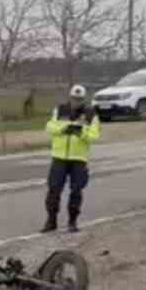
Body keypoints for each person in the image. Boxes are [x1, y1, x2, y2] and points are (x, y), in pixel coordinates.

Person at [44, 84, 101, 233]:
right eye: (75, 98)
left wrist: (80, 133)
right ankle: (51, 220)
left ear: (84, 99)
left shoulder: (91, 114)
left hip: (78, 158)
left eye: (80, 99)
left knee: (76, 190)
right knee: (54, 189)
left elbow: (94, 136)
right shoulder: (60, 110)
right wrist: (63, 129)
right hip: (59, 156)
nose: (77, 101)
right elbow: (49, 127)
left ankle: (72, 221)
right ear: (70, 97)